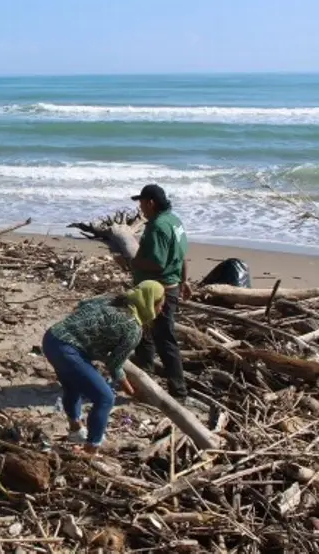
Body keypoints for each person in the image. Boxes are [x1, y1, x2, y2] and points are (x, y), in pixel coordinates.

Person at [43, 280, 165, 454]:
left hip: (52, 338)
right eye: (160, 304)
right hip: (68, 352)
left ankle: (76, 430)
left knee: (72, 385)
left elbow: (83, 304)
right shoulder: (132, 328)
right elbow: (114, 365)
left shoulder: (113, 299)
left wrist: (88, 331)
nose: (161, 309)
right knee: (105, 398)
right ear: (149, 303)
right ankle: (90, 449)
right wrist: (131, 391)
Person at [127, 184, 190, 401]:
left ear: (151, 203)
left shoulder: (157, 227)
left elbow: (158, 263)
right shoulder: (174, 221)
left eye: (142, 203)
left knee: (165, 340)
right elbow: (181, 256)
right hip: (169, 286)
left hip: (158, 290)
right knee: (144, 328)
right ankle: (145, 367)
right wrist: (184, 280)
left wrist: (133, 262)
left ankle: (179, 392)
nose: (141, 208)